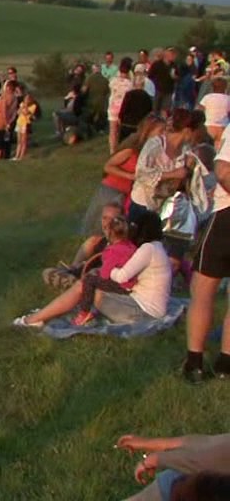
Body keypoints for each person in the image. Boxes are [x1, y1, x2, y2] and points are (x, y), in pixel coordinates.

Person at [14, 211, 170, 328]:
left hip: (143, 313)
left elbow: (122, 276)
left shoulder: (148, 249)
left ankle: (34, 319)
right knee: (88, 284)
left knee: (85, 286)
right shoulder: (156, 248)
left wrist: (110, 270)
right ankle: (45, 313)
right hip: (142, 305)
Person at [183, 113, 230, 383]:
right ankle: (226, 363)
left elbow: (223, 171)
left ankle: (195, 364)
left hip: (226, 216)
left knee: (202, 289)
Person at [115, 432, 230, 501]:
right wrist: (154, 454)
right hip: (179, 490)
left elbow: (207, 446)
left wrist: (155, 456)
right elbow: (208, 447)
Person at [69, 213, 137, 326]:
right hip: (133, 283)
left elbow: (105, 274)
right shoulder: (131, 246)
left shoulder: (112, 251)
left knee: (89, 280)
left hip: (122, 286)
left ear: (109, 233)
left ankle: (84, 312)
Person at [108, 58, 137, 153]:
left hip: (113, 108)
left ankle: (112, 150)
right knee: (121, 131)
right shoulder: (129, 84)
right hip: (123, 109)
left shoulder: (113, 81)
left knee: (113, 131)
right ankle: (121, 149)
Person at [199, 77, 230, 148]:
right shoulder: (228, 99)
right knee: (220, 149)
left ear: (213, 87)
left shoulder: (207, 97)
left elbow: (200, 111)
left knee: (208, 148)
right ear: (225, 87)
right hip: (223, 127)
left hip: (209, 126)